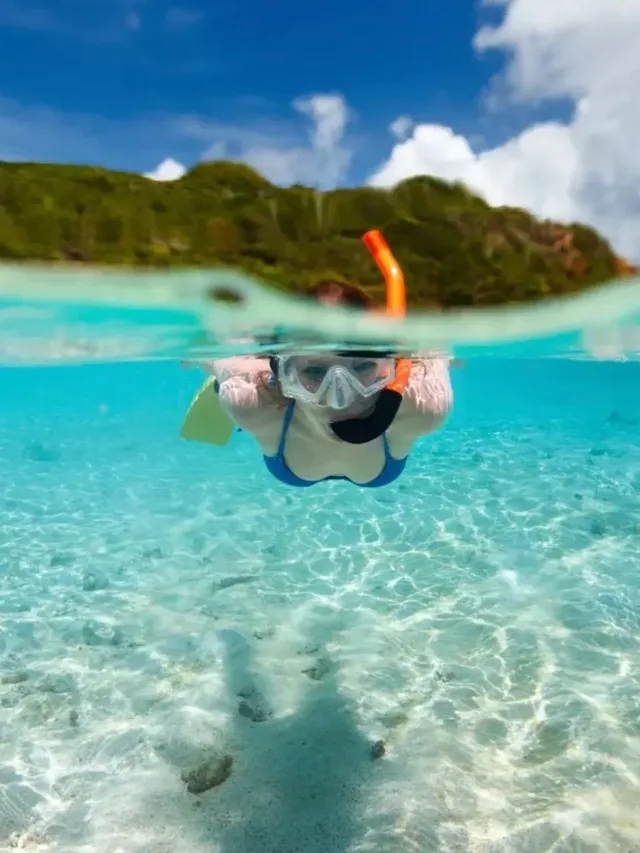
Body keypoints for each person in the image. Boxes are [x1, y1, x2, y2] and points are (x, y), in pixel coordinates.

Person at [194, 279, 453, 488]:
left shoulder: (422, 408)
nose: (339, 398)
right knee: (238, 374)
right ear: (284, 375)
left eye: (363, 367)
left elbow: (436, 352)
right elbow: (209, 356)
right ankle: (219, 385)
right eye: (316, 372)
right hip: (270, 394)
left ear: (390, 367)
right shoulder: (252, 402)